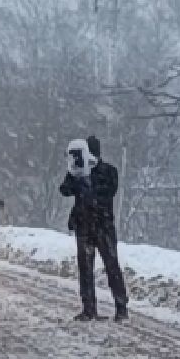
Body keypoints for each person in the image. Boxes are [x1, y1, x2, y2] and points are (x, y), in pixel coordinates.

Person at [59, 136, 128, 321]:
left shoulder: (108, 171)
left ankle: (121, 308)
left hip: (102, 225)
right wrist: (75, 174)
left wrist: (87, 181)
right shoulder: (77, 173)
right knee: (86, 269)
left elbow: (108, 192)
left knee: (111, 265)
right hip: (85, 225)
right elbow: (64, 190)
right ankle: (89, 308)